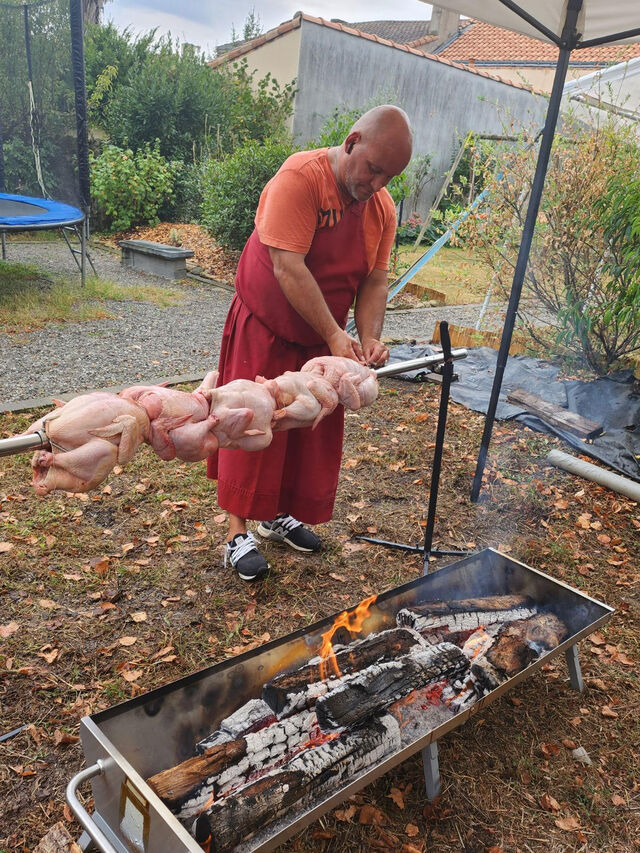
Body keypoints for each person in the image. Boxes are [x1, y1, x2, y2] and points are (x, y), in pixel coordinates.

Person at [207, 104, 413, 581]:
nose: (378, 184)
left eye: (390, 177)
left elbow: (375, 280)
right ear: (351, 141)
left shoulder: (380, 210)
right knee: (251, 419)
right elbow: (288, 267)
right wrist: (335, 335)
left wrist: (369, 338)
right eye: (373, 169)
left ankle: (277, 515)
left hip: (321, 341)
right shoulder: (300, 179)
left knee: (303, 431)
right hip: (267, 325)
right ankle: (237, 533)